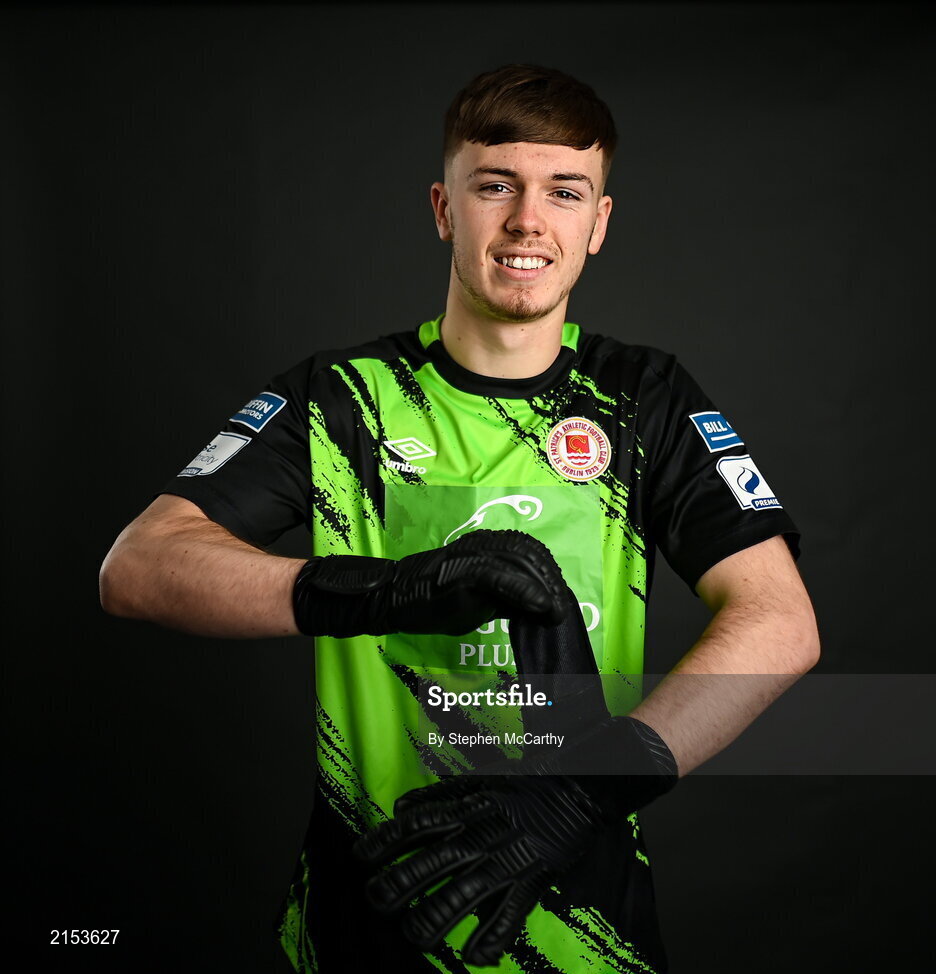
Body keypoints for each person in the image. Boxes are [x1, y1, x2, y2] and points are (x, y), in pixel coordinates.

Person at [100, 64, 820, 973]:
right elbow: (137, 567)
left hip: (583, 918)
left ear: (598, 224)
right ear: (445, 208)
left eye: (565, 192)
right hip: (364, 915)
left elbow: (782, 620)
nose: (528, 221)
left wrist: (584, 791)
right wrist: (381, 589)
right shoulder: (342, 400)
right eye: (496, 186)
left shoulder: (647, 401)